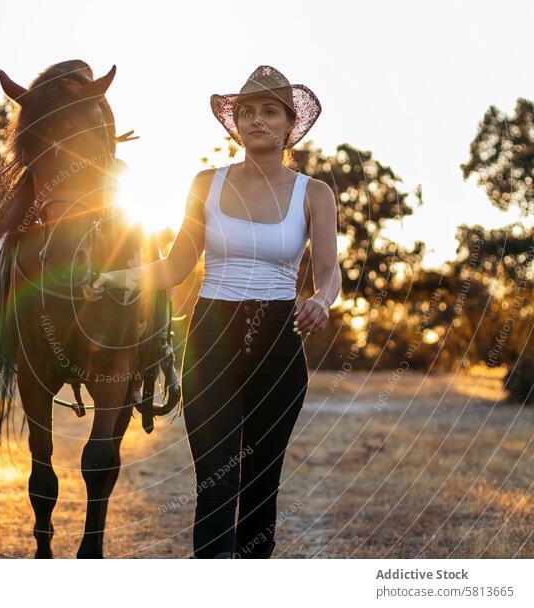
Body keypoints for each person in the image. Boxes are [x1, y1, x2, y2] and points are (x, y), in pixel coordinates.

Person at [82, 65, 341, 558]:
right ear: (234, 123)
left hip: (279, 348)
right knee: (217, 483)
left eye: (270, 112)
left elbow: (329, 272)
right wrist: (118, 277)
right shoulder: (205, 184)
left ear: (290, 125)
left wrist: (319, 300)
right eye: (247, 112)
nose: (257, 120)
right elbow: (177, 265)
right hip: (210, 342)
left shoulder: (315, 193)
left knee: (261, 486)